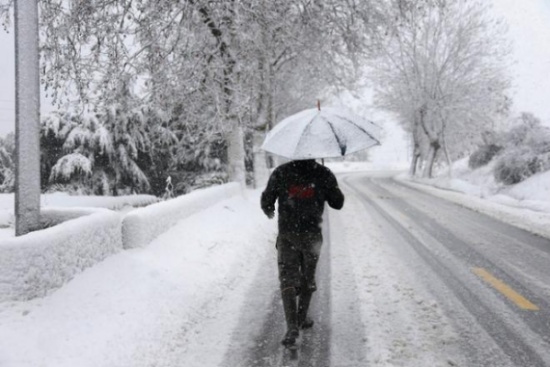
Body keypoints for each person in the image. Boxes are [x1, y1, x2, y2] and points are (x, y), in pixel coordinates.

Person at [261, 159, 344, 348]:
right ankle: (301, 318)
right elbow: (337, 203)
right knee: (308, 276)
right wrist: (328, 186)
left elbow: (267, 201)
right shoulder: (323, 173)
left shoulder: (281, 172)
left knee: (287, 278)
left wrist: (271, 210)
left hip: (288, 234)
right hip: (312, 235)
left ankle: (292, 326)